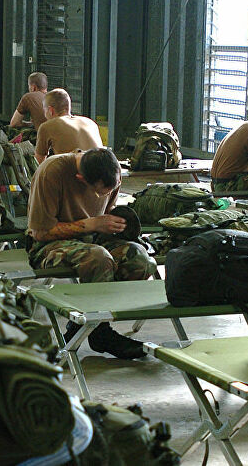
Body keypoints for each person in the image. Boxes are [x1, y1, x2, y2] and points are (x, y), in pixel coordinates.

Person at [26, 147, 157, 359]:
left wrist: (117, 225)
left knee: (140, 259)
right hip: (48, 245)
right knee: (99, 258)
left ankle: (89, 326)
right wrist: (92, 224)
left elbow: (107, 213)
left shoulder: (111, 172)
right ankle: (100, 332)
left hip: (94, 240)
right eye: (100, 192)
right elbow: (40, 232)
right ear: (81, 179)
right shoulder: (52, 171)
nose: (107, 194)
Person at [34, 88, 104, 163]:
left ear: (50, 110)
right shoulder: (90, 123)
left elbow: (38, 162)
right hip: (103, 167)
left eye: (44, 110)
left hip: (78, 169)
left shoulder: (47, 126)